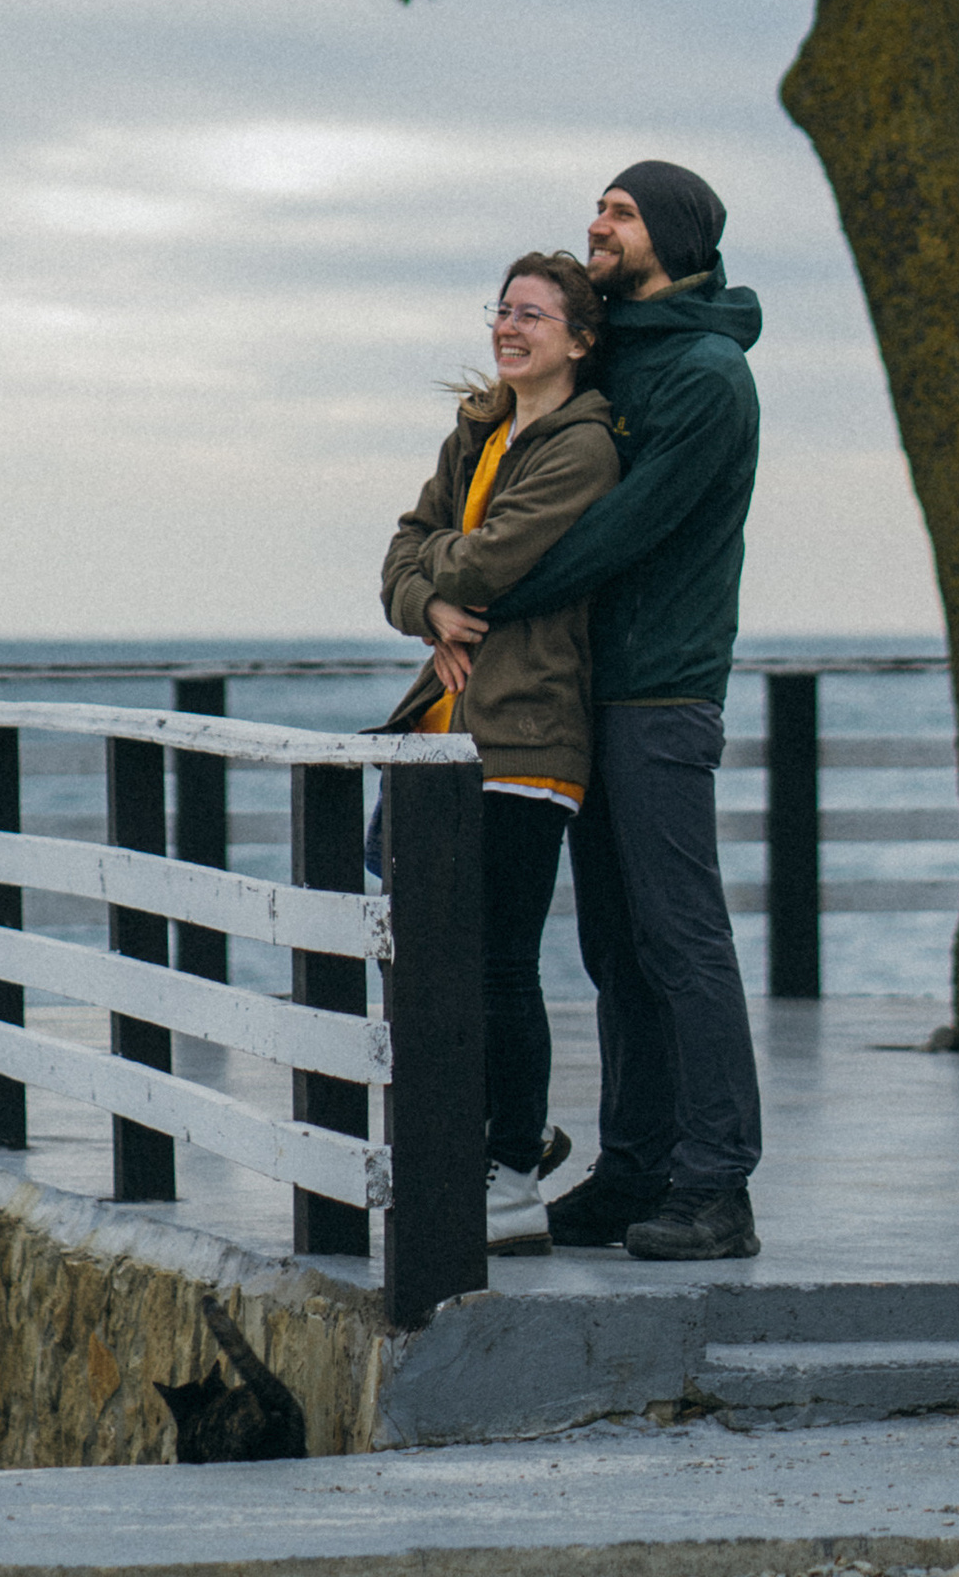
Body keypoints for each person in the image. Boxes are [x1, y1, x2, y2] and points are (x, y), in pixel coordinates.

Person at [423, 158, 763, 1262]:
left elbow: (614, 535)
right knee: (614, 947)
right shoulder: (624, 353)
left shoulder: (706, 376)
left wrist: (474, 596)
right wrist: (440, 595)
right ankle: (632, 1171)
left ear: (671, 232)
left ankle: (717, 1184)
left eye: (619, 213)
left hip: (662, 688)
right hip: (587, 692)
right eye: (599, 209)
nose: (598, 224)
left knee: (681, 938)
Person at [380, 249, 620, 1253]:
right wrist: (428, 600)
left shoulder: (583, 447)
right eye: (501, 310)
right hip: (438, 731)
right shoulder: (476, 431)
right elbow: (403, 556)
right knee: (403, 938)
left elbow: (485, 561)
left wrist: (443, 579)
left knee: (497, 962)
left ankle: (512, 1175)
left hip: (525, 735)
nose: (508, 328)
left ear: (578, 338)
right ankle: (501, 1129)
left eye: (531, 314)